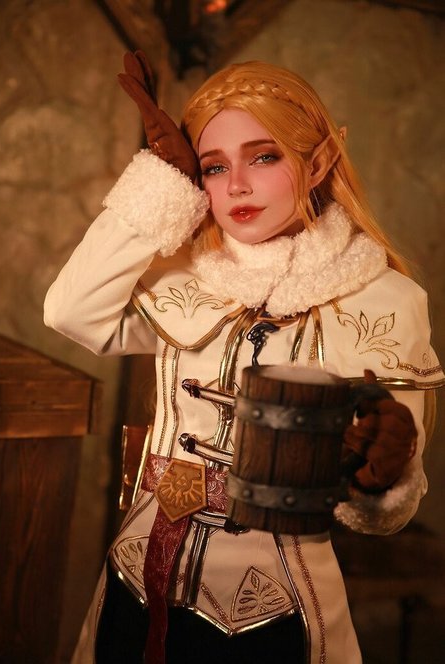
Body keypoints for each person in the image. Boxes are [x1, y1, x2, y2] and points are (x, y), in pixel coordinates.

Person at [44, 51, 444, 664]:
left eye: (264, 157)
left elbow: (384, 509)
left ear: (318, 163)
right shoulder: (182, 275)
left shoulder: (384, 302)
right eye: (212, 166)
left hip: (276, 605)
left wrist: (380, 476)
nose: (235, 185)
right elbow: (71, 311)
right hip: (135, 578)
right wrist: (163, 183)